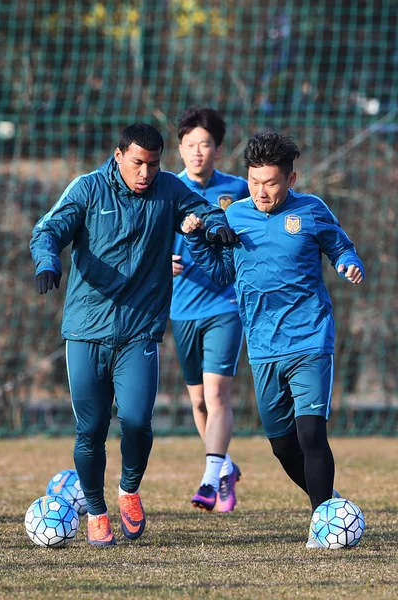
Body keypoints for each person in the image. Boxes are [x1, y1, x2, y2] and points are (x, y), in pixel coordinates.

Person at [30, 123, 236, 547]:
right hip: (86, 331)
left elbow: (207, 210)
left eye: (154, 164)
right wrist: (48, 260)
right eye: (138, 162)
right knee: (90, 429)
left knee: (139, 422)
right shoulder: (87, 189)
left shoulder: (168, 192)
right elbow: (48, 229)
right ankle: (97, 512)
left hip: (140, 330)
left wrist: (213, 229)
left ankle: (128, 491)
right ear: (119, 155)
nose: (146, 172)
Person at [180, 131, 365, 548]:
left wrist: (349, 263)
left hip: (310, 338)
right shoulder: (235, 216)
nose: (261, 191)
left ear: (291, 179)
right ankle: (331, 504)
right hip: (263, 346)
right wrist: (196, 238)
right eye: (254, 181)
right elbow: (223, 273)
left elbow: (340, 247)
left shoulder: (311, 210)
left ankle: (323, 526)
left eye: (271, 182)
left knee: (311, 434)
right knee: (283, 446)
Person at [170, 106, 249, 512]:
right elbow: (145, 243)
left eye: (205, 144)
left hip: (225, 304)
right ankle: (225, 468)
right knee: (198, 401)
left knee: (217, 394)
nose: (197, 152)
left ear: (218, 148)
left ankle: (207, 478)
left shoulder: (237, 189)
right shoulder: (164, 189)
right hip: (181, 308)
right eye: (189, 145)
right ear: (180, 149)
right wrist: (161, 262)